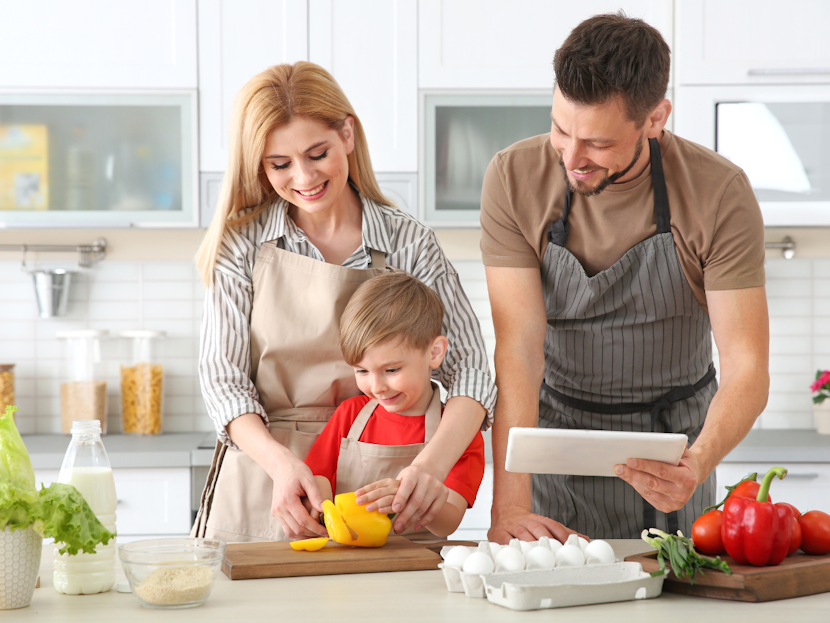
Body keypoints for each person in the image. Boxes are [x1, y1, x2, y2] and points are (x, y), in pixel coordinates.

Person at [481, 13, 769, 541]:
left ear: (655, 118)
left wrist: (696, 462)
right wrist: (509, 506)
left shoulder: (718, 193)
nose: (571, 157)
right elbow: (519, 347)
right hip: (557, 441)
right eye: (560, 129)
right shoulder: (512, 177)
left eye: (597, 143)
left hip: (673, 446)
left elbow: (747, 363)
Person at [192, 62, 495, 543]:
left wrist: (429, 467)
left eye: (318, 153)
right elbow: (223, 382)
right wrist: (282, 464)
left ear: (347, 135)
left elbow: (471, 371)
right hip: (266, 476)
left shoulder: (407, 243)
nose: (304, 176)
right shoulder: (242, 244)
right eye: (280, 164)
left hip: (382, 470)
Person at [304, 271, 485, 537]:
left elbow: (449, 522)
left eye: (391, 370)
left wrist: (413, 499)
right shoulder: (350, 415)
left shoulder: (459, 433)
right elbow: (319, 476)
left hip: (418, 567)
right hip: (347, 557)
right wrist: (320, 510)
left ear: (434, 353)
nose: (376, 387)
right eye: (362, 371)